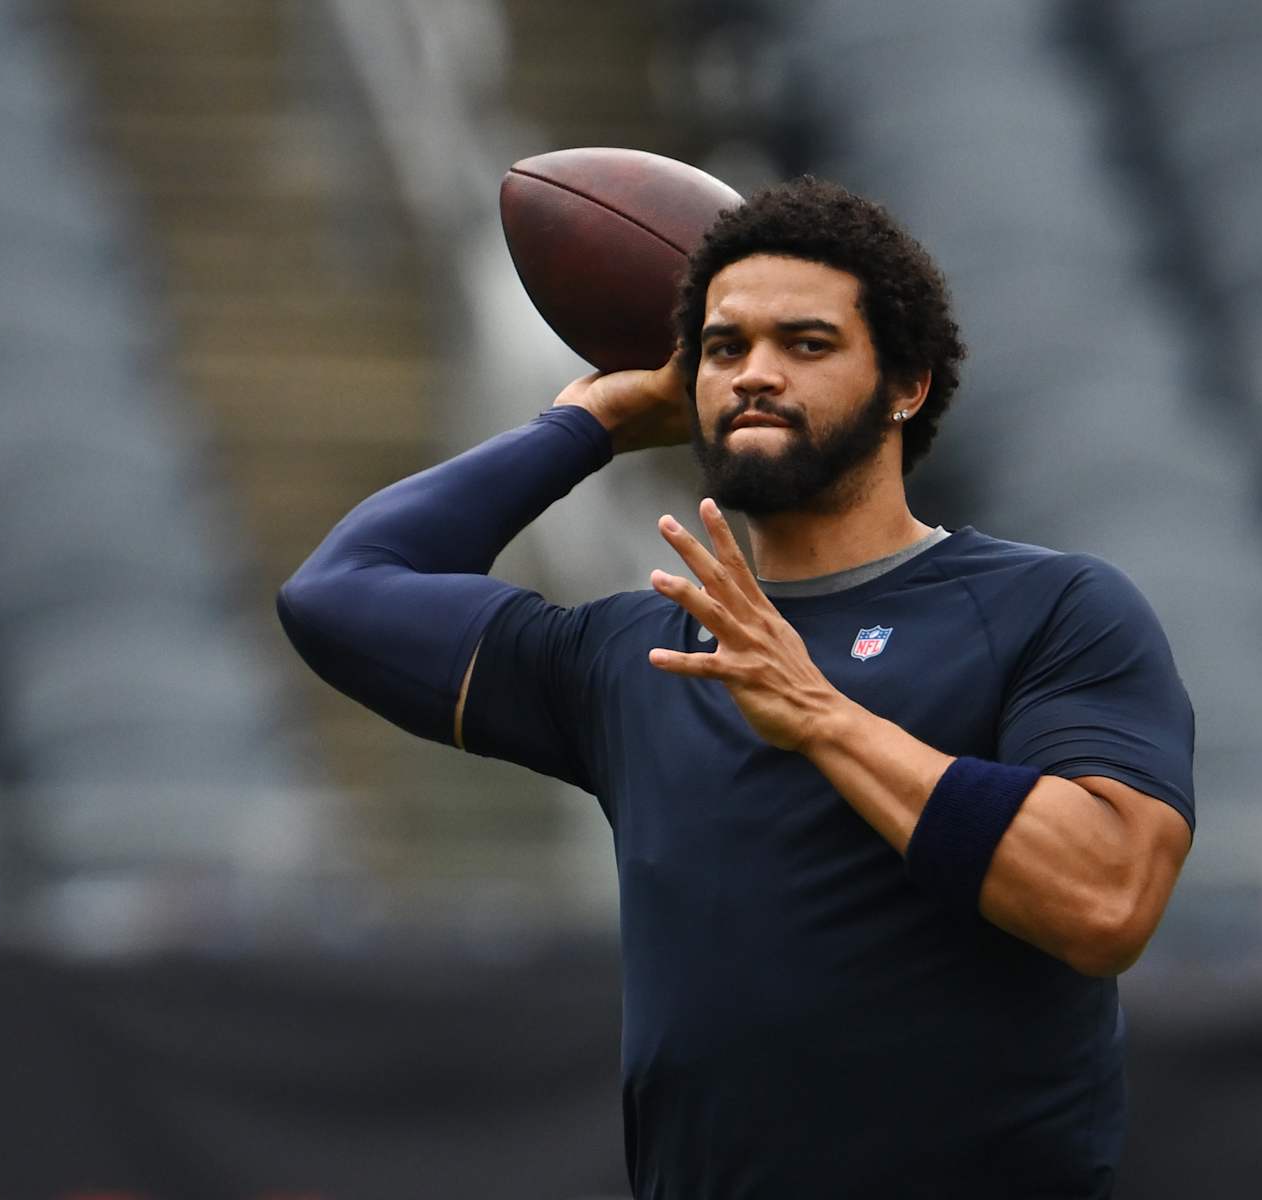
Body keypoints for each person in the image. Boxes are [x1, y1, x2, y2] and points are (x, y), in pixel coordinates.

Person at [277, 178, 1195, 1199]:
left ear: (908, 384)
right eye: (724, 349)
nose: (756, 373)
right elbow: (340, 593)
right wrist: (588, 426)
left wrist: (822, 717)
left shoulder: (1049, 606)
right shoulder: (638, 653)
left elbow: (1107, 896)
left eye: (806, 344)